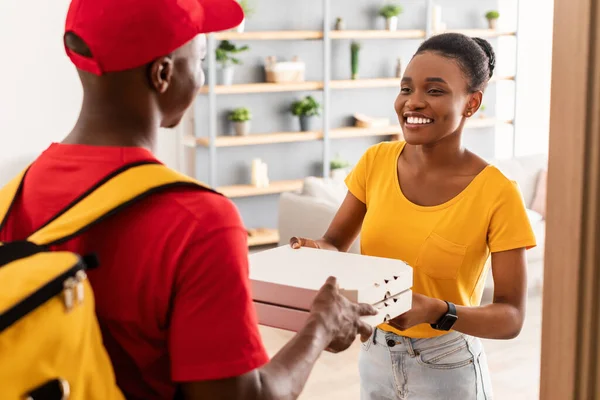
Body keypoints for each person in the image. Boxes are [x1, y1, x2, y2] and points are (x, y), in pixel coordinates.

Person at [0, 0, 378, 399]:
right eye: (199, 60)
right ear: (162, 74)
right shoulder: (199, 220)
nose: (200, 76)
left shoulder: (17, 192)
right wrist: (321, 326)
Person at [290, 32, 537, 400]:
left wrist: (436, 311)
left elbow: (511, 317)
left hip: (448, 366)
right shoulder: (376, 162)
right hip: (374, 353)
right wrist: (316, 250)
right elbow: (334, 242)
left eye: (434, 91)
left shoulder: (498, 192)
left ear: (472, 104)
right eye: (406, 89)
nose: (413, 102)